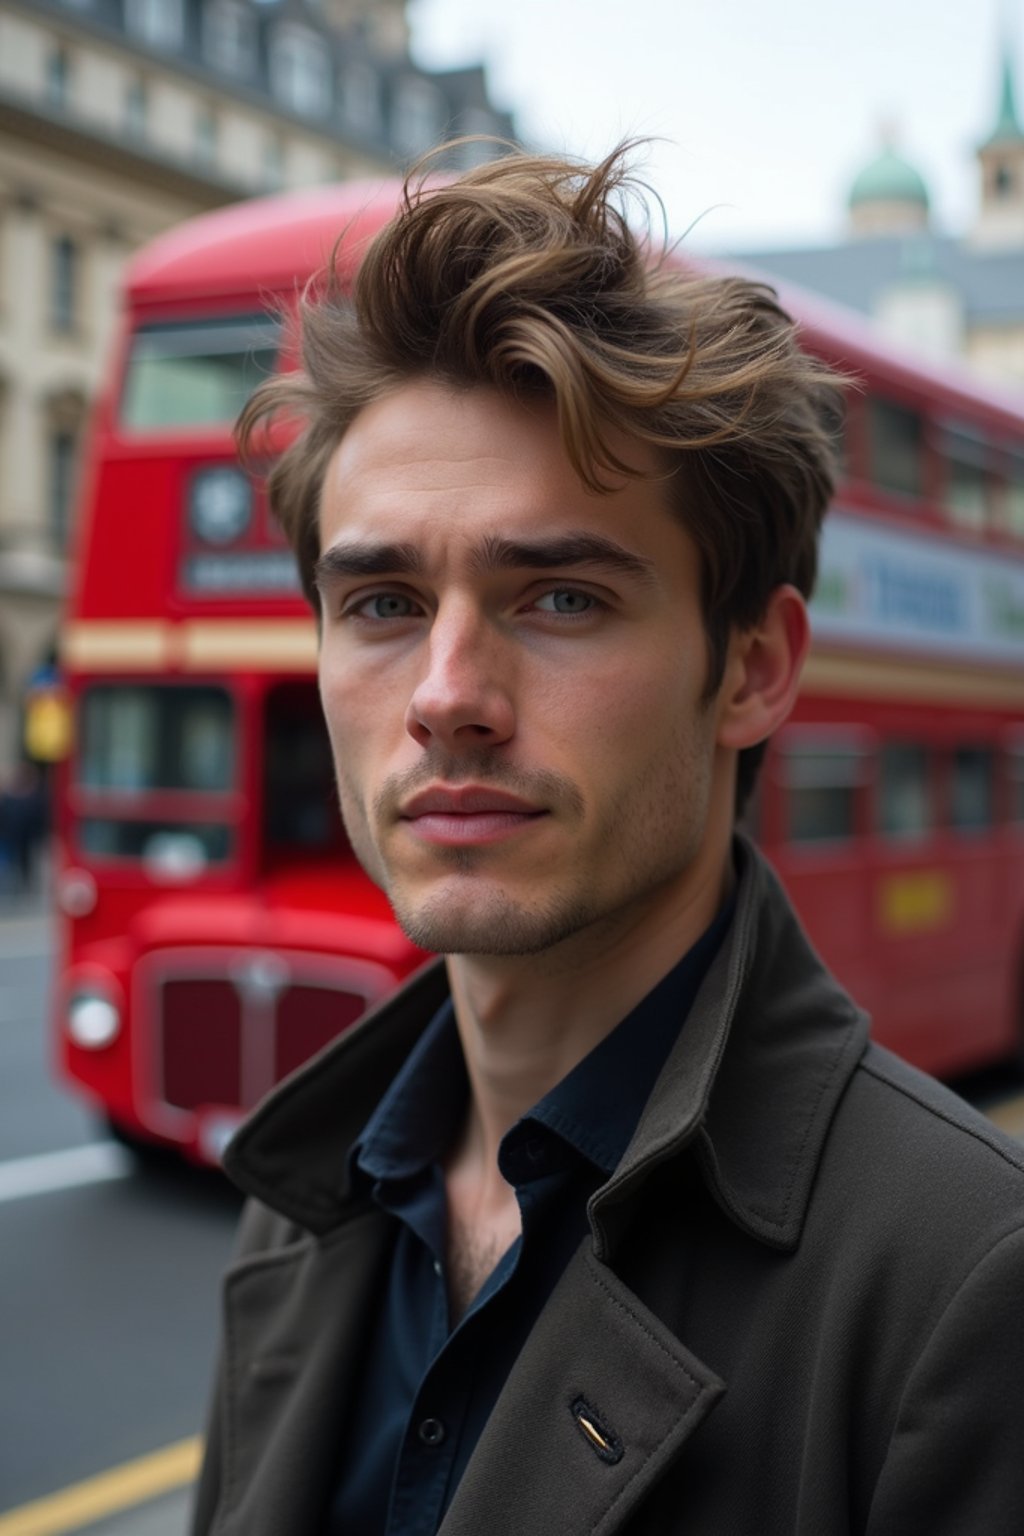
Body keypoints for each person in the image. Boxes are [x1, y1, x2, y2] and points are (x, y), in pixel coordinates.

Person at [192, 148, 1024, 1536]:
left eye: (561, 597)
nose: (448, 696)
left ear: (753, 667)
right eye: (385, 603)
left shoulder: (964, 1281)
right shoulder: (306, 1201)